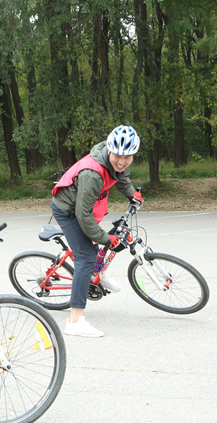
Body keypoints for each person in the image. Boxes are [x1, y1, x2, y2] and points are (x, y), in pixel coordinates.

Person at [51, 125, 144, 337]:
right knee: (85, 257)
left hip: (83, 207)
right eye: (118, 156)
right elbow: (82, 216)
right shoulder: (92, 174)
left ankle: (97, 273)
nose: (122, 161)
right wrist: (105, 238)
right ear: (110, 149)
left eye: (127, 157)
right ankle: (75, 321)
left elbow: (121, 175)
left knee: (97, 242)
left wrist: (132, 193)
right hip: (68, 211)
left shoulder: (113, 162)